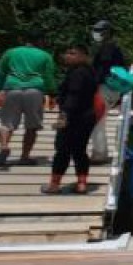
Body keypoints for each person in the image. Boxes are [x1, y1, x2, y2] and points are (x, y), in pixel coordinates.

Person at [0, 31, 57, 169]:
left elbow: (1, 74)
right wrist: (52, 94)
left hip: (12, 89)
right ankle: (24, 156)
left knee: (7, 123)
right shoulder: (45, 56)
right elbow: (49, 77)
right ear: (40, 42)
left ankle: (4, 147)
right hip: (34, 91)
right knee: (32, 126)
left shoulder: (10, 53)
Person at [43, 44, 99, 195]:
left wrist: (63, 117)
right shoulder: (90, 72)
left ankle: (54, 184)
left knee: (62, 150)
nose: (67, 56)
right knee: (80, 150)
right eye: (67, 53)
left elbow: (73, 96)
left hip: (73, 117)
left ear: (83, 56)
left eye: (73, 53)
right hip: (87, 116)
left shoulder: (77, 73)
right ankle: (81, 183)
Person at [89, 20, 127, 163]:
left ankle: (99, 153)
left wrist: (93, 85)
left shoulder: (107, 49)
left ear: (106, 33)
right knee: (99, 120)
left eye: (98, 31)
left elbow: (102, 71)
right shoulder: (114, 48)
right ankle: (100, 151)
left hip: (105, 88)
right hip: (112, 89)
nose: (96, 34)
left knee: (97, 121)